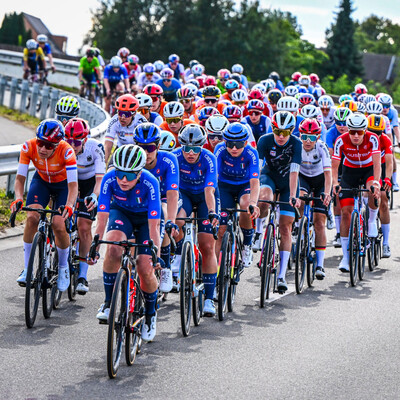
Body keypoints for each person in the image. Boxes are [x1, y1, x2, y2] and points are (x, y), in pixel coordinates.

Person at [89, 145, 162, 342]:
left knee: (144, 267)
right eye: (120, 173)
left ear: (139, 173)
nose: (123, 180)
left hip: (146, 220)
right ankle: (107, 302)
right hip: (122, 214)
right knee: (113, 247)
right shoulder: (110, 178)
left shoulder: (150, 182)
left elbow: (155, 226)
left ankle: (149, 314)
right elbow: (102, 216)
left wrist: (156, 253)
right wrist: (96, 243)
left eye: (129, 176)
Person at [12, 119, 78, 291]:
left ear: (57, 145)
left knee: (58, 223)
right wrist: (18, 198)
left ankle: (63, 267)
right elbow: (20, 179)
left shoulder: (67, 152)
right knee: (32, 218)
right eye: (41, 143)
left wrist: (70, 205)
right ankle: (27, 269)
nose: (42, 149)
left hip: (63, 185)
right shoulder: (28, 147)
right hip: (41, 181)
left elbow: (73, 186)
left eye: (49, 146)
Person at [171, 125, 220, 313]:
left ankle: (209, 298)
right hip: (184, 194)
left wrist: (212, 212)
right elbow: (172, 189)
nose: (191, 153)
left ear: (202, 146)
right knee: (177, 219)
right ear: (180, 145)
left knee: (207, 246)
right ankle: (181, 250)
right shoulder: (175, 157)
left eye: (196, 149)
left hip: (205, 197)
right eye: (186, 148)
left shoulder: (209, 158)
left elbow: (209, 190)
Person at [256, 111, 302, 292]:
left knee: (285, 227)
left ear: (292, 130)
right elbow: (258, 169)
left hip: (287, 182)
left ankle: (282, 275)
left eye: (286, 132)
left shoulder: (296, 143)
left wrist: (292, 195)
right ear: (272, 128)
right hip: (269, 176)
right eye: (277, 131)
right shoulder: (264, 140)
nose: (281, 136)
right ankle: (259, 231)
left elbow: (294, 172)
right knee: (264, 198)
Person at [134, 123, 181, 292]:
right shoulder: (131, 158)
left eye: (150, 147)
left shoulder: (168, 160)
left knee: (164, 214)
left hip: (163, 197)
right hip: (139, 199)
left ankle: (166, 267)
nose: (146, 153)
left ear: (158, 146)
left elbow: (173, 193)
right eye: (142, 147)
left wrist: (172, 221)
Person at [332, 113, 381, 273]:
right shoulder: (341, 140)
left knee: (372, 191)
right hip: (350, 171)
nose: (355, 135)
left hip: (368, 170)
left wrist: (376, 183)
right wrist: (335, 183)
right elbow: (334, 166)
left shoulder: (373, 138)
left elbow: (376, 164)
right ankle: (346, 258)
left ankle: (372, 221)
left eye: (359, 132)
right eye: (352, 131)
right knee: (346, 211)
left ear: (365, 131)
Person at [64, 118, 105, 294]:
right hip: (68, 180)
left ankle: (82, 276)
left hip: (89, 183)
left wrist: (94, 197)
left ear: (85, 140)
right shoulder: (62, 147)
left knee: (84, 226)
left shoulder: (95, 148)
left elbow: (99, 179)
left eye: (77, 142)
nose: (72, 145)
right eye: (69, 141)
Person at [215, 123, 260, 267]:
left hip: (244, 185)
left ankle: (247, 243)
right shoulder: (220, 149)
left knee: (246, 205)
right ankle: (214, 267)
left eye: (239, 144)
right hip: (224, 186)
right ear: (224, 142)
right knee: (221, 229)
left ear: (246, 143)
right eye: (230, 143)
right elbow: (213, 177)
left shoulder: (251, 153)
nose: (234, 148)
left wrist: (253, 203)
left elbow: (255, 181)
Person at [298, 118, 332, 279]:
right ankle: (297, 227)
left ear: (317, 137)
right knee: (299, 198)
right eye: (304, 136)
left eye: (311, 137)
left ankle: (320, 265)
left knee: (319, 222)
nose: (307, 141)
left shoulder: (322, 147)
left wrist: (326, 192)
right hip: (303, 178)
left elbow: (328, 173)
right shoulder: (297, 147)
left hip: (319, 181)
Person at [326, 107, 352, 247]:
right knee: (337, 196)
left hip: (353, 163)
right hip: (338, 163)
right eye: (338, 122)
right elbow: (331, 154)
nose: (341, 126)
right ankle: (338, 233)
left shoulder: (355, 132)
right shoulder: (331, 133)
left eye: (344, 122)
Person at [367, 114, 393, 258]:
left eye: (378, 132)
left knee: (383, 200)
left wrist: (388, 179)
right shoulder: (364, 138)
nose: (375, 135)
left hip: (381, 167)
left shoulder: (385, 139)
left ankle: (386, 243)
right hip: (367, 167)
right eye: (372, 131)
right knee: (365, 194)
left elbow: (389, 162)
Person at [104, 94, 147, 166]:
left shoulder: (141, 122)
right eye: (120, 113)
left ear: (134, 114)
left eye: (126, 114)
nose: (122, 118)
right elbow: (108, 144)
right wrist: (104, 162)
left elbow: (145, 145)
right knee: (110, 169)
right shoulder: (114, 121)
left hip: (137, 150)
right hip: (120, 149)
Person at [378, 94, 400, 191]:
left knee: (391, 155)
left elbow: (395, 127)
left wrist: (399, 140)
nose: (385, 108)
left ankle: (394, 182)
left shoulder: (393, 112)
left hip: (388, 133)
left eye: (387, 106)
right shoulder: (377, 111)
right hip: (378, 132)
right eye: (383, 105)